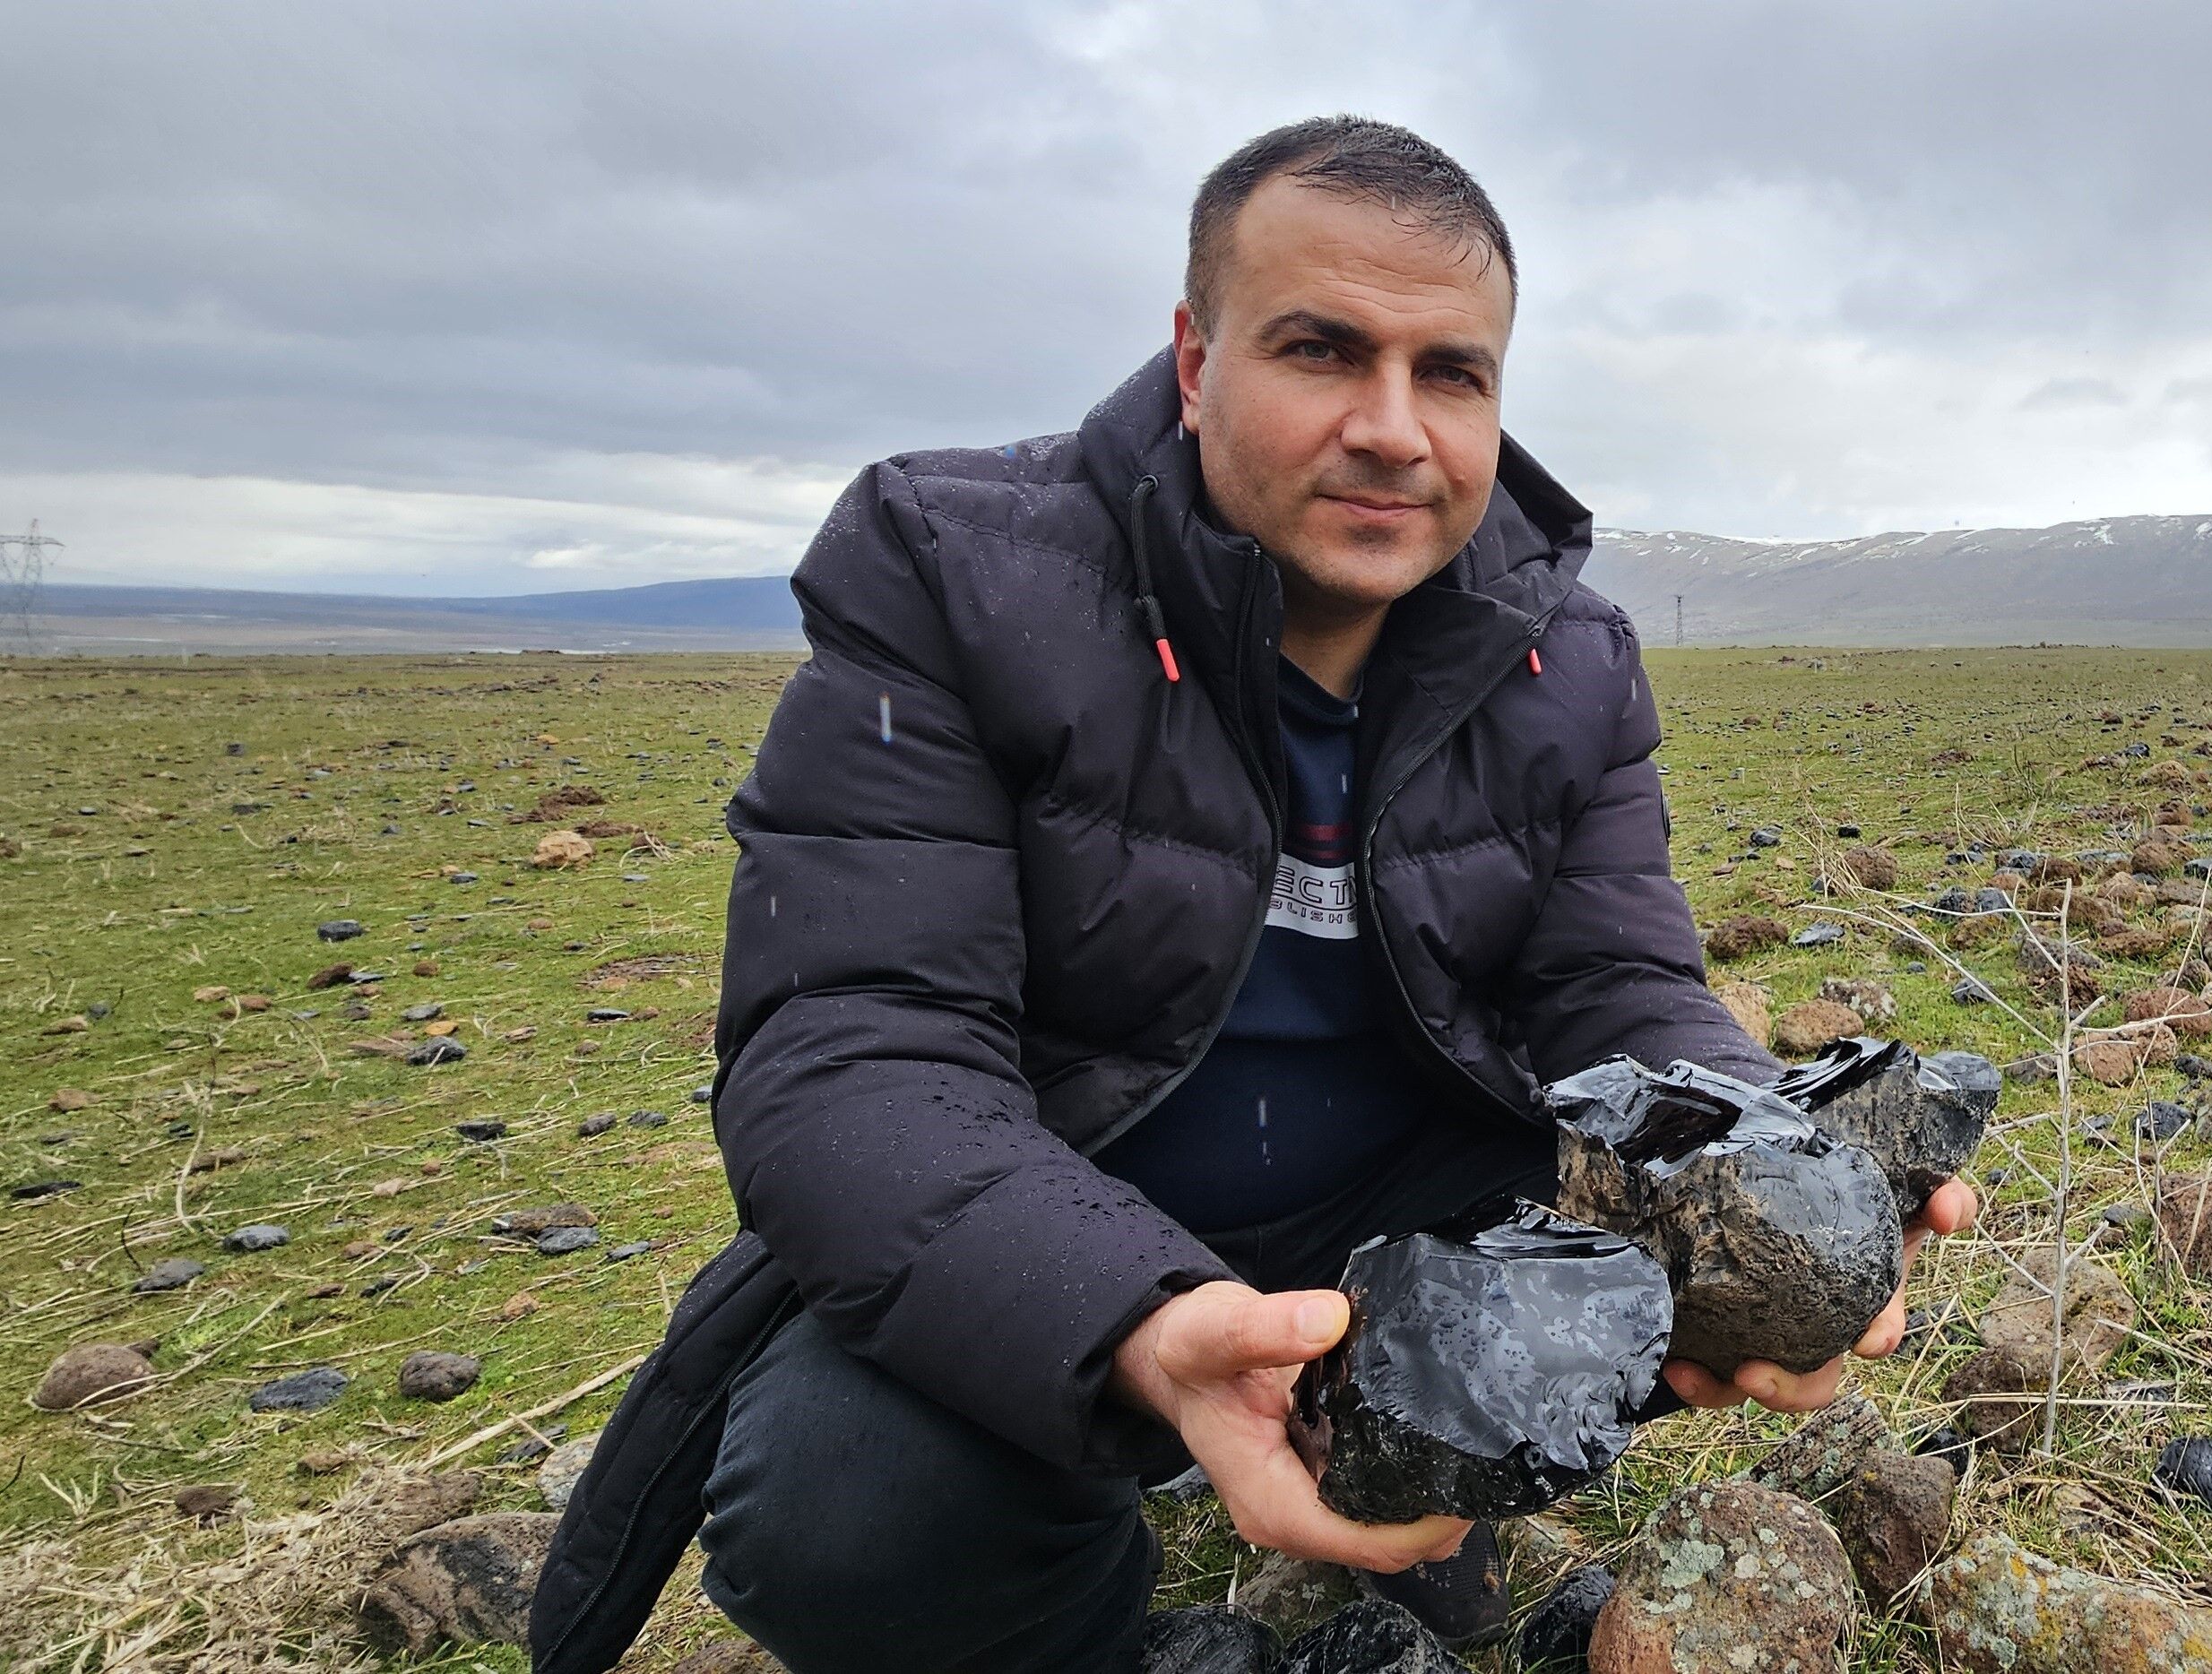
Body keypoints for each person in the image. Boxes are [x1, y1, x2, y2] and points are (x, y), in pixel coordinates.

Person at [528, 116, 1975, 1674]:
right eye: (1320, 350)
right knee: (847, 1516)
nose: (1394, 430)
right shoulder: (955, 577)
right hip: (1062, 1202)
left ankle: (1424, 1476)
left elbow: (1613, 986)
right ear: (1196, 356)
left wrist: (1754, 1160)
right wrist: (1142, 1324)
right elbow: (856, 1050)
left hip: (1413, 1203)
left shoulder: (1568, 657)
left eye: (1454, 375)